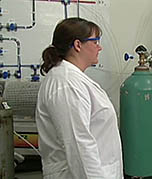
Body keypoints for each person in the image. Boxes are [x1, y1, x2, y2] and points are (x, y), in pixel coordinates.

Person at [35, 17, 123, 179]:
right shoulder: (66, 84)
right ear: (77, 45)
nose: (100, 47)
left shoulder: (71, 79)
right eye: (95, 41)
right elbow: (78, 146)